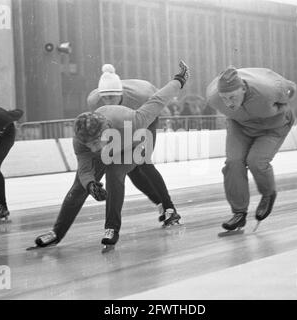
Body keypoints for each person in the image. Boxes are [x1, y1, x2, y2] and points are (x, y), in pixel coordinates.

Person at [33, 61, 189, 249]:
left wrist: (179, 80)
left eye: (94, 144)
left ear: (105, 132)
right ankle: (57, 233)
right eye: (87, 145)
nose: (92, 149)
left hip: (137, 137)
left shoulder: (134, 119)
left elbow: (158, 100)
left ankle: (112, 228)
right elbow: (84, 168)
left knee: (117, 173)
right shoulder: (82, 140)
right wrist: (90, 184)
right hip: (112, 141)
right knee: (78, 188)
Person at [86, 64, 180, 225]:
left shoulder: (142, 95)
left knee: (142, 161)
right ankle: (160, 203)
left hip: (145, 119)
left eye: (113, 97)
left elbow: (159, 102)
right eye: (105, 98)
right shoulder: (94, 101)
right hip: (124, 124)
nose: (108, 102)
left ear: (121, 93)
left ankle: (169, 208)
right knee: (127, 165)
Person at [206, 66, 297, 232]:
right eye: (224, 98)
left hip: (273, 126)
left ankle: (268, 193)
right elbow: (225, 102)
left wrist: (280, 109)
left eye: (232, 97)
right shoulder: (213, 97)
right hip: (240, 126)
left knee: (256, 161)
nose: (228, 103)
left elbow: (291, 89)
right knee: (233, 162)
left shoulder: (267, 91)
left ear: (243, 88)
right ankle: (239, 213)